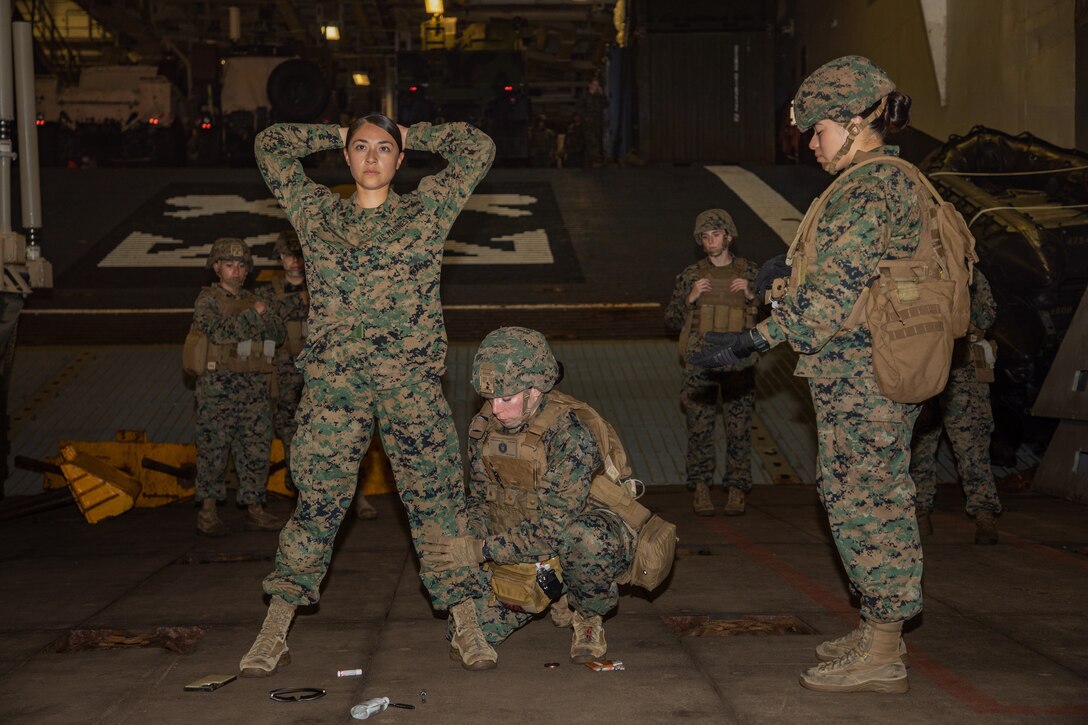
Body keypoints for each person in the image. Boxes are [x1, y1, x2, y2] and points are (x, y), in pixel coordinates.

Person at [691, 56, 922, 694]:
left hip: (865, 380)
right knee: (859, 498)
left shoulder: (871, 188)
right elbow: (843, 275)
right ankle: (878, 629)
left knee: (867, 505)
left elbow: (828, 302)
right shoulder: (871, 183)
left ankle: (884, 653)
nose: (811, 145)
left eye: (818, 131)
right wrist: (785, 272)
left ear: (855, 122)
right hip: (858, 375)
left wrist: (751, 341)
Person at [239, 113, 494, 677]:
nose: (372, 157)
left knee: (437, 502)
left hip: (410, 387)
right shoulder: (317, 214)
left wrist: (413, 133)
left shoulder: (426, 212)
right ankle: (274, 629)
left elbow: (477, 148)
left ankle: (466, 623)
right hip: (335, 389)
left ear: (399, 160)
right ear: (347, 157)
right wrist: (334, 133)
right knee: (318, 504)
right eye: (360, 147)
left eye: (384, 148)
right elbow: (270, 146)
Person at [420, 327, 634, 669]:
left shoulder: (570, 434)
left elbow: (552, 530)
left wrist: (479, 550)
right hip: (519, 545)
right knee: (444, 533)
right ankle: (478, 618)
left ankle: (587, 614)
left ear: (535, 390)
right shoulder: (484, 427)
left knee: (588, 539)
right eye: (490, 398)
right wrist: (464, 540)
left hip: (573, 540)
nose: (496, 409)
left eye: (506, 399)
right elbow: (481, 500)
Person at [255, 229, 378, 520]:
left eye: (299, 255)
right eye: (288, 256)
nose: (294, 262)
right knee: (294, 442)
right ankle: (303, 503)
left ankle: (357, 494)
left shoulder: (326, 286)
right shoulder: (267, 295)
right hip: (286, 379)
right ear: (279, 258)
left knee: (348, 435)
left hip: (328, 376)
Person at [189, 238, 286, 537]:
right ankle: (208, 512)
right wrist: (254, 315)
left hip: (254, 390)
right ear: (217, 267)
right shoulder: (208, 301)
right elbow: (218, 333)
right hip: (218, 390)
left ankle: (255, 508)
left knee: (256, 451)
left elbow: (278, 335)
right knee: (213, 452)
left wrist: (262, 314)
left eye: (241, 265)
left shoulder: (256, 300)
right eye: (229, 265)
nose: (236, 271)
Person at [664, 210, 758, 515]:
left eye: (715, 235)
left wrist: (752, 296)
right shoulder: (692, 275)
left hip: (739, 364)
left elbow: (776, 317)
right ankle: (701, 487)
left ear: (729, 236)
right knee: (699, 428)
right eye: (704, 237)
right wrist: (689, 298)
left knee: (739, 429)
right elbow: (671, 320)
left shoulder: (750, 273)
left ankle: (737, 488)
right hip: (701, 364)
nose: (710, 242)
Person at [911, 269, 1001, 544]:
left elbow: (987, 315)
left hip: (962, 365)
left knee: (971, 442)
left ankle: (984, 513)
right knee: (920, 442)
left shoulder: (968, 271)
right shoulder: (916, 268)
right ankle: (919, 512)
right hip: (924, 362)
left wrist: (958, 319)